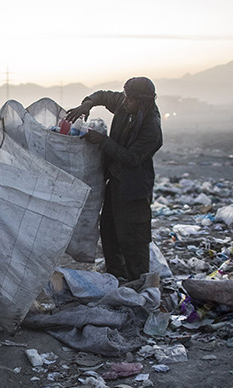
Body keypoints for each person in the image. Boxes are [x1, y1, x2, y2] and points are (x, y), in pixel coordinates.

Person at [66, 77, 162, 282]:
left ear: (142, 101)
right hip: (116, 183)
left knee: (133, 239)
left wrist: (102, 141)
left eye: (130, 99)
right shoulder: (125, 105)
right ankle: (117, 279)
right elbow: (101, 96)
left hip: (134, 189)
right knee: (110, 233)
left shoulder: (151, 128)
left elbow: (131, 158)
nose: (125, 102)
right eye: (125, 97)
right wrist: (86, 104)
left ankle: (140, 284)